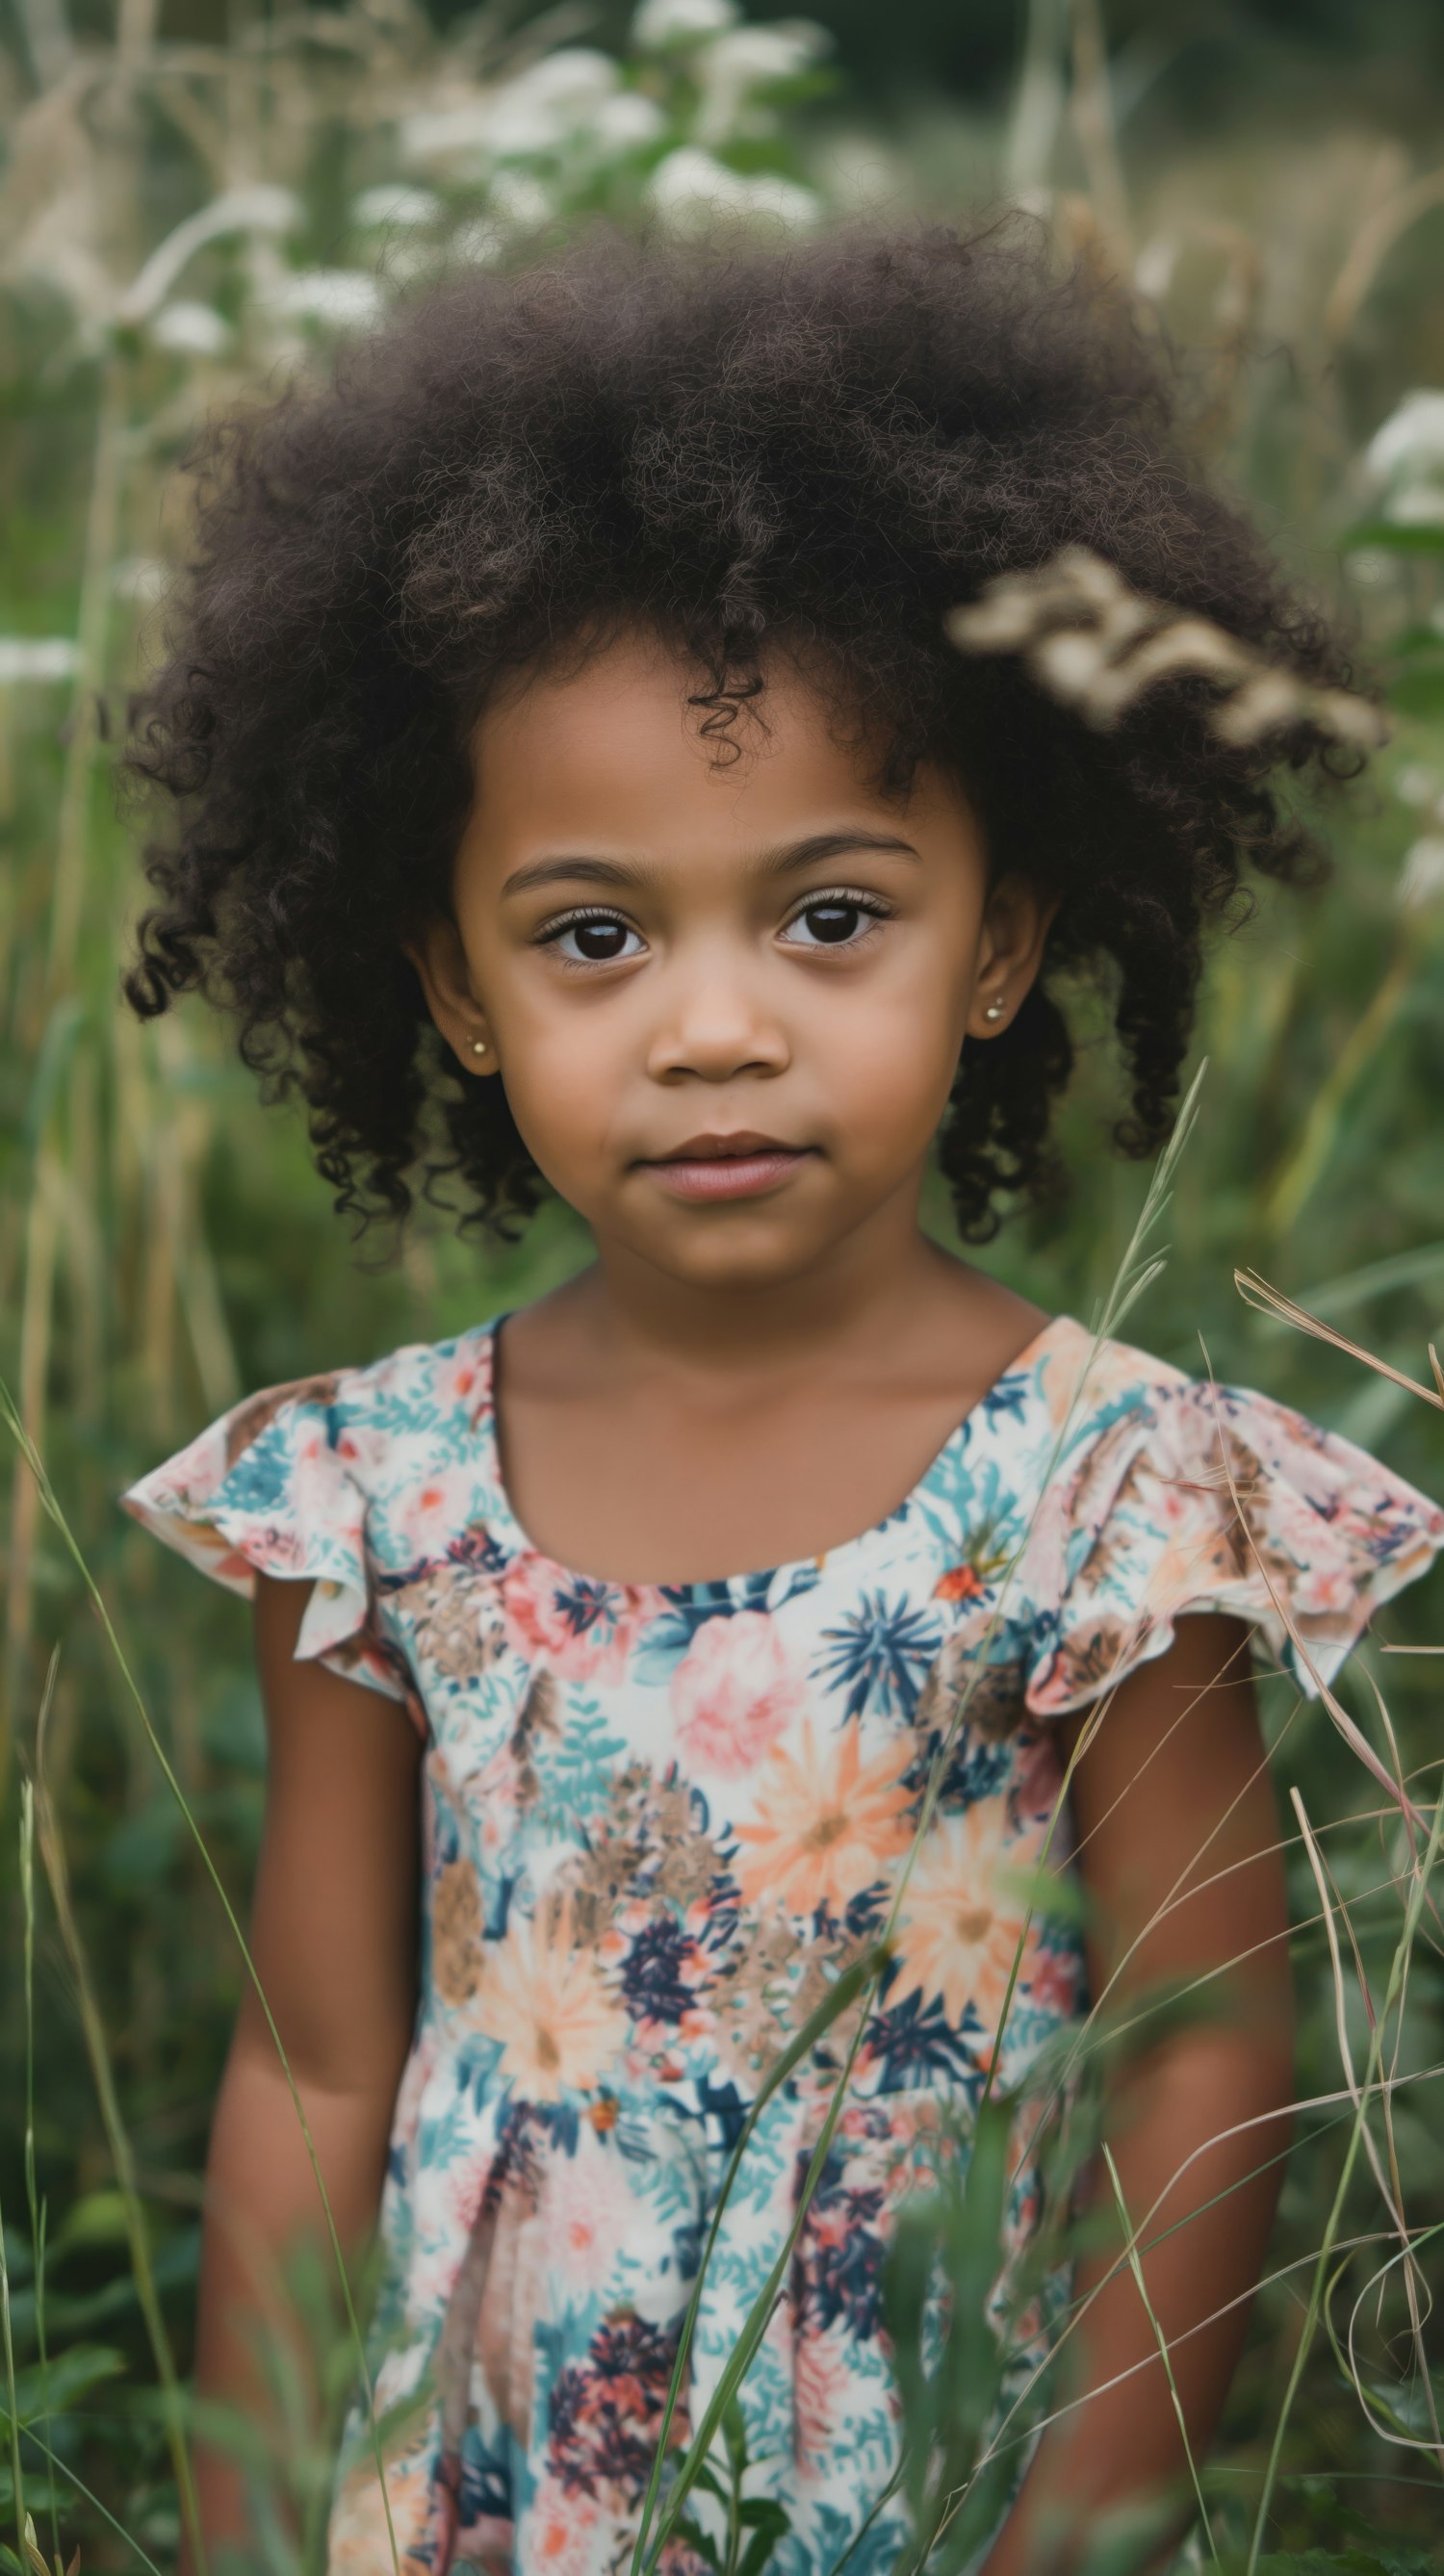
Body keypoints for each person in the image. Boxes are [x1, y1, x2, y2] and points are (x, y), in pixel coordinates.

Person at [120, 224, 1441, 2576]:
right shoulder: (373, 1492)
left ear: (1001, 942)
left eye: (830, 916)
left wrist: (1076, 2545)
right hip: (464, 2501)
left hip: (917, 2488)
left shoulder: (1117, 1491)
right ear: (449, 982)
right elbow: (314, 2060)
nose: (713, 1024)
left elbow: (1212, 2049)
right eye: (594, 934)